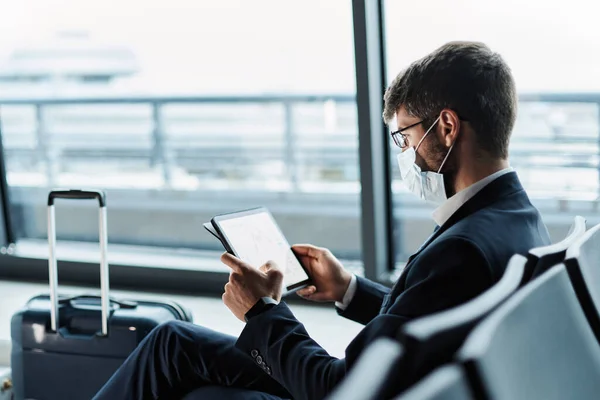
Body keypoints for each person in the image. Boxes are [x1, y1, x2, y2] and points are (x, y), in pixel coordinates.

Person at [93, 41, 550, 400]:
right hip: (398, 383)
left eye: (406, 135)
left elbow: (337, 390)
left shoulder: (462, 249)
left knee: (193, 378)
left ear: (447, 128)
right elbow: (425, 323)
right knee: (173, 342)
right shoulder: (515, 220)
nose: (405, 153)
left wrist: (262, 311)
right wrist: (349, 289)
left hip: (355, 388)